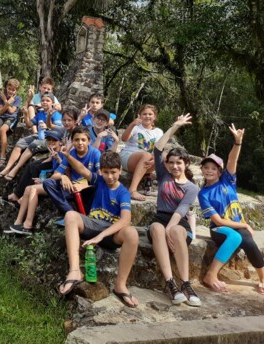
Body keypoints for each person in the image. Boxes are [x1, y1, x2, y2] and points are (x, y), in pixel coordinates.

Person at [57, 151, 139, 307]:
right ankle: (75, 271)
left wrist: (100, 236)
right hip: (92, 223)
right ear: (101, 170)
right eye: (106, 172)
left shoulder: (123, 193)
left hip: (111, 233)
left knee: (132, 233)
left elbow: (126, 219)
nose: (109, 176)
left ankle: (120, 285)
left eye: (113, 172)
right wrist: (67, 155)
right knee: (70, 216)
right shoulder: (99, 180)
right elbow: (81, 169)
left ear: (120, 170)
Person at [198, 124, 264, 296]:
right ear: (201, 170)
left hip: (236, 226)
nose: (209, 170)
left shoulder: (227, 181)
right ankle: (210, 275)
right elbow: (217, 221)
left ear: (219, 171)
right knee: (236, 235)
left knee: (245, 239)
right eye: (206, 168)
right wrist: (244, 225)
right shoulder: (204, 193)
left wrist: (237, 142)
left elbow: (232, 160)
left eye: (213, 168)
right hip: (219, 229)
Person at [146, 114, 201, 306]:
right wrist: (175, 126)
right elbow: (158, 147)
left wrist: (171, 228)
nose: (175, 166)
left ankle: (185, 283)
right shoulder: (164, 176)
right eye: (172, 162)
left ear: (186, 164)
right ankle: (171, 283)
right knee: (157, 229)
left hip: (178, 221)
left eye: (179, 162)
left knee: (176, 230)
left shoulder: (192, 187)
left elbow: (182, 210)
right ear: (167, 164)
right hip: (160, 217)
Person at [7, 108, 79, 202]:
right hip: (57, 157)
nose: (66, 123)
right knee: (32, 165)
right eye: (64, 120)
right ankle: (18, 193)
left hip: (65, 163)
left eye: (69, 120)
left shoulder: (77, 133)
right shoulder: (65, 130)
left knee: (37, 168)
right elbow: (50, 126)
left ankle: (26, 196)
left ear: (75, 121)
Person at [4, 129, 65, 235]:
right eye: (49, 140)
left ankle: (27, 225)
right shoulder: (54, 152)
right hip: (52, 180)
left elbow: (62, 172)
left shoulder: (63, 153)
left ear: (61, 141)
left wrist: (44, 180)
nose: (51, 142)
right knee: (28, 187)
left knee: (32, 189)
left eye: (54, 140)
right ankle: (18, 223)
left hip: (58, 184)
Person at [0, 92, 62, 181]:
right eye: (43, 100)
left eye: (47, 101)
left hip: (50, 140)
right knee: (20, 143)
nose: (45, 102)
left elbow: (60, 128)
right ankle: (7, 168)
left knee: (33, 145)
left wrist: (48, 126)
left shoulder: (56, 114)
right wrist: (26, 114)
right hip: (39, 136)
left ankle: (15, 170)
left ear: (53, 103)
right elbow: (28, 124)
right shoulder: (40, 114)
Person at [42, 126, 101, 216]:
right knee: (47, 183)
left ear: (89, 141)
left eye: (83, 140)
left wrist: (85, 185)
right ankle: (70, 212)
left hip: (88, 188)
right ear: (72, 142)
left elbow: (100, 176)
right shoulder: (70, 154)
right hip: (72, 187)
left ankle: (86, 215)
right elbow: (55, 175)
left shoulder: (95, 153)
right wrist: (63, 177)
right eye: (76, 140)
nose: (80, 143)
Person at [120, 104, 163, 201]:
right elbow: (124, 139)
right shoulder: (136, 127)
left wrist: (155, 161)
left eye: (150, 114)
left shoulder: (158, 132)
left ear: (154, 117)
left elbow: (158, 150)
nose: (147, 116)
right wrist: (132, 124)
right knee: (146, 155)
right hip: (128, 157)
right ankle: (132, 190)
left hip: (145, 161)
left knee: (164, 157)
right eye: (144, 114)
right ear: (139, 115)